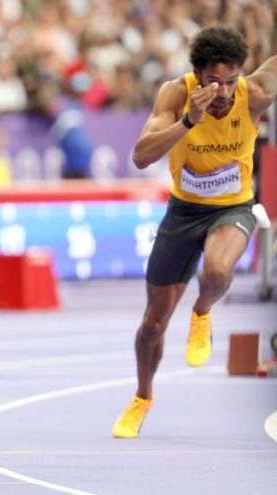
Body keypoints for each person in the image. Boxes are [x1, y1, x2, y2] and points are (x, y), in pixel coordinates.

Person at [112, 26, 277, 439]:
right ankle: (142, 397)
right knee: (152, 324)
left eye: (230, 80)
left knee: (217, 272)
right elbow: (140, 156)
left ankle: (202, 311)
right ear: (198, 74)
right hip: (184, 211)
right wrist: (189, 120)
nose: (222, 91)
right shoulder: (175, 94)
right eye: (213, 81)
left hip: (233, 207)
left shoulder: (254, 93)